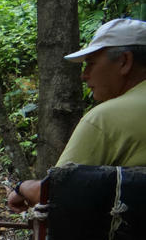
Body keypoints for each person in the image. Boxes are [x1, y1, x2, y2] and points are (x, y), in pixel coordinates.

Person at [9, 18, 146, 211]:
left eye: (91, 63)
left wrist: (21, 188)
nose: (84, 75)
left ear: (125, 61)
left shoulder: (104, 118)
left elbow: (53, 193)